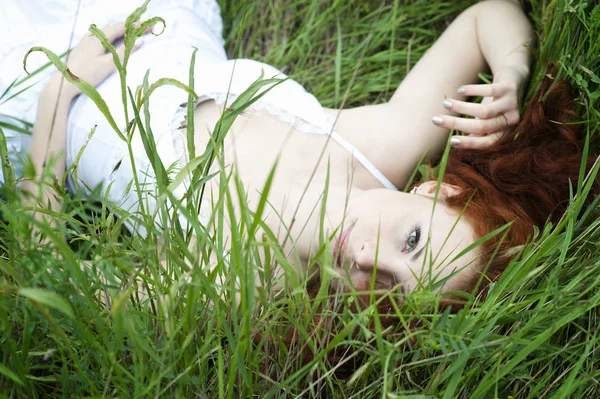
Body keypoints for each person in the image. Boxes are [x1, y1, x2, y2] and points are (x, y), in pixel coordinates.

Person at [1, 0, 590, 302]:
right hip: (154, 23)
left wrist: (58, 99)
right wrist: (511, 74)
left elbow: (50, 290)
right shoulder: (375, 149)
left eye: (389, 288)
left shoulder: (238, 278)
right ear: (436, 190)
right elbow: (486, 16)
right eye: (410, 239)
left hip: (38, 91)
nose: (364, 256)